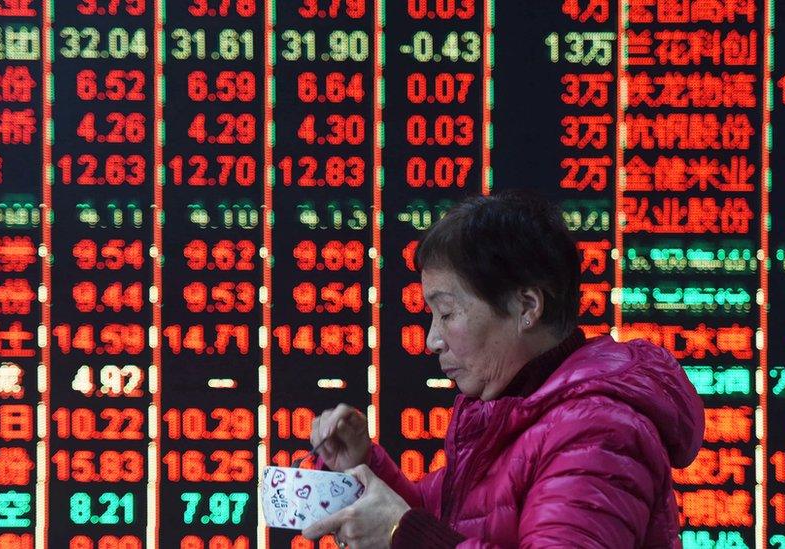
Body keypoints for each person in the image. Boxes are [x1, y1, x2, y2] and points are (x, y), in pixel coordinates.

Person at [302, 190, 704, 548]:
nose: (432, 340)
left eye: (446, 313)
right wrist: (361, 467)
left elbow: (422, 530)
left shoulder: (599, 432)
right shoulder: (519, 414)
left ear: (527, 307)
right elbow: (449, 519)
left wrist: (401, 534)